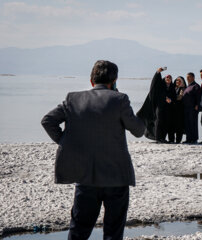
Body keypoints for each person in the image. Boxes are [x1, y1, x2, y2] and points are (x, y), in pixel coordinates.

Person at [41, 60, 145, 240]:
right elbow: (138, 131)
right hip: (116, 177)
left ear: (91, 80)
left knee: (78, 231)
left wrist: (67, 142)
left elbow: (47, 121)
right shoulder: (120, 99)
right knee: (113, 233)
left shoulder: (73, 99)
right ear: (114, 81)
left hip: (85, 177)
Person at [137, 68, 175, 143]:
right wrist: (158, 72)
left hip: (168, 109)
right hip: (160, 107)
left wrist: (170, 100)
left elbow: (174, 97)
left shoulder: (172, 88)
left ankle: (163, 138)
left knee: (166, 123)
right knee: (159, 122)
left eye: (170, 78)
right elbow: (154, 82)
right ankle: (158, 138)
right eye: (167, 77)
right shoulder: (161, 86)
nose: (168, 79)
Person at [182, 72, 200, 144]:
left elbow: (198, 97)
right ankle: (188, 138)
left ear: (193, 77)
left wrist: (197, 105)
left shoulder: (196, 86)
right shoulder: (188, 86)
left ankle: (194, 139)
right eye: (187, 77)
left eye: (189, 77)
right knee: (187, 124)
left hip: (193, 108)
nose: (187, 78)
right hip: (186, 108)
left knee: (193, 123)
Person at [171, 76, 187, 143]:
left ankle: (178, 140)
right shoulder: (174, 88)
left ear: (182, 82)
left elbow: (180, 97)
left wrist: (171, 98)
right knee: (172, 124)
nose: (178, 82)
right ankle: (172, 140)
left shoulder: (183, 89)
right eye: (177, 80)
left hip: (180, 109)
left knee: (179, 125)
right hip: (173, 109)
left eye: (179, 81)